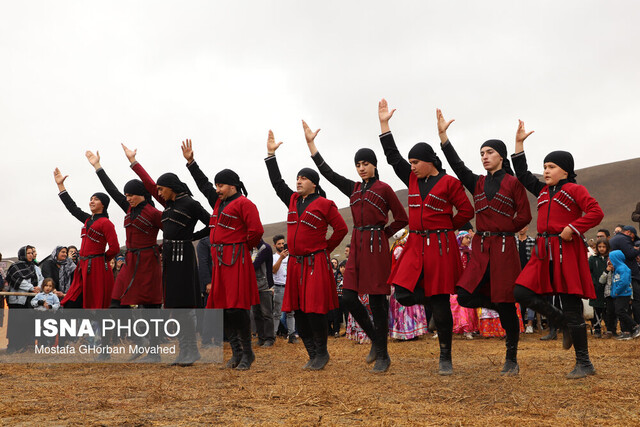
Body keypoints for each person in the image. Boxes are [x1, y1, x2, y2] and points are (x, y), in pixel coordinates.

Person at [303, 119, 408, 373]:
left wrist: (385, 234)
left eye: (366, 164)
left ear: (374, 165)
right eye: (358, 165)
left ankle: (383, 356)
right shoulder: (352, 188)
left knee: (377, 301)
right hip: (358, 245)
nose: (361, 168)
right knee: (348, 297)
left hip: (377, 246)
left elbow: (403, 218)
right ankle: (375, 339)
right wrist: (312, 145)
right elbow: (328, 174)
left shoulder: (385, 188)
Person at [378, 99, 474, 375]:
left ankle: (445, 356)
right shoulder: (411, 179)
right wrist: (385, 125)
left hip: (441, 245)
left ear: (430, 161)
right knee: (404, 293)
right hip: (415, 243)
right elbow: (392, 158)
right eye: (410, 162)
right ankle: (433, 305)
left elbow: (466, 210)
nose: (412, 166)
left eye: (416, 161)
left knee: (442, 301)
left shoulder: (449, 183)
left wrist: (446, 227)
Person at [437, 109, 532, 375]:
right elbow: (458, 166)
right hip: (481, 248)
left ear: (500, 155)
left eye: (489, 152)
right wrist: (444, 138)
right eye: (481, 153)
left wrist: (504, 230)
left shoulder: (513, 183)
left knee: (505, 303)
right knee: (465, 295)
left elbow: (525, 215)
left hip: (504, 248)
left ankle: (511, 357)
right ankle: (501, 305)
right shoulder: (477, 183)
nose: (484, 157)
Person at [511, 120, 604, 379]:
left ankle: (584, 363)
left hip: (565, 249)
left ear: (565, 170)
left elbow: (596, 212)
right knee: (520, 290)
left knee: (571, 304)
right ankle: (561, 322)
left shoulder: (575, 189)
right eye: (544, 167)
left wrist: (573, 228)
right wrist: (518, 144)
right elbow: (522, 174)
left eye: (551, 167)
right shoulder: (542, 191)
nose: (546, 171)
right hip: (543, 249)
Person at [264, 130, 348, 370]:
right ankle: (312, 353)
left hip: (315, 263)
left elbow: (341, 230)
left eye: (303, 178)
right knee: (298, 310)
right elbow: (277, 184)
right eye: (297, 178)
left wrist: (323, 249)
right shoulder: (292, 201)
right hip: (297, 264)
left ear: (314, 183)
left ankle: (322, 353)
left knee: (315, 311)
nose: (298, 181)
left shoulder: (324, 204)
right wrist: (271, 155)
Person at [182, 139, 264, 370]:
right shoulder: (218, 202)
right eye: (216, 185)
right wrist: (191, 163)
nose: (216, 189)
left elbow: (256, 231)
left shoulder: (244, 204)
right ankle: (236, 352)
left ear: (232, 186)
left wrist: (241, 247)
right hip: (219, 261)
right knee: (223, 309)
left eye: (221, 185)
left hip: (236, 258)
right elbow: (203, 185)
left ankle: (247, 353)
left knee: (238, 308)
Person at [125, 143, 210, 366]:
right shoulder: (168, 203)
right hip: (170, 257)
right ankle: (187, 350)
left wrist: (191, 236)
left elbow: (212, 223)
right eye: (159, 190)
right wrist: (134, 163)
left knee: (183, 305)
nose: (159, 193)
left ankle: (190, 350)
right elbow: (150, 185)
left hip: (184, 257)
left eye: (162, 189)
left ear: (171, 187)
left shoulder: (190, 203)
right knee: (174, 305)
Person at [85, 150, 163, 309]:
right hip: (130, 261)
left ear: (141, 194)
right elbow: (111, 190)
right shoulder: (128, 208)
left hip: (148, 262)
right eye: (126, 195)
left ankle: (148, 332)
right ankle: (126, 331)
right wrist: (97, 166)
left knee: (150, 306)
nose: (127, 199)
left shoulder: (154, 213)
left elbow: (172, 232)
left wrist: (161, 249)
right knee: (116, 303)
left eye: (131, 195)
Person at [54, 168, 120, 309]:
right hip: (82, 267)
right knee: (71, 303)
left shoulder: (106, 223)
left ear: (103, 204)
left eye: (96, 199)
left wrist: (100, 260)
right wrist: (61, 186)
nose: (91, 201)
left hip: (97, 268)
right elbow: (72, 208)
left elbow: (115, 248)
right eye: (91, 199)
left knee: (94, 306)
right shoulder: (87, 219)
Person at [388, 229, 429, 341]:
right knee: (405, 308)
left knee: (404, 308)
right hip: (403, 282)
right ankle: (407, 332)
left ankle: (408, 332)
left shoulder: (397, 249)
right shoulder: (400, 250)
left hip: (401, 281)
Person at [6, 246, 42, 353]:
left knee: (28, 323)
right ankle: (13, 346)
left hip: (31, 300)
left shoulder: (36, 267)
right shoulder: (15, 267)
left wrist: (39, 287)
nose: (31, 255)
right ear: (23, 254)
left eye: (32, 253)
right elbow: (17, 280)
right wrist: (31, 288)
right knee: (16, 323)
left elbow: (41, 278)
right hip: (18, 301)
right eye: (28, 253)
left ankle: (25, 347)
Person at [450, 231, 478, 340]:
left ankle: (468, 330)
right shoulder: (455, 252)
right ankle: (452, 328)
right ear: (460, 239)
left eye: (469, 238)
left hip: (466, 282)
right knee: (453, 305)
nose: (469, 240)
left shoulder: (470, 253)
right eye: (467, 238)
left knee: (467, 305)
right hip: (456, 281)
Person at [609, 225, 640, 323]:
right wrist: (636, 249)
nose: (632, 240)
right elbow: (630, 254)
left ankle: (628, 328)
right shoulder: (623, 239)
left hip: (621, 279)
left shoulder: (614, 239)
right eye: (633, 237)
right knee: (635, 300)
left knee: (623, 307)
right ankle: (636, 325)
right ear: (629, 232)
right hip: (631, 275)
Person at [608, 250, 640, 340]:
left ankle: (635, 326)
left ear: (616, 259)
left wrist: (617, 291)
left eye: (611, 258)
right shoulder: (617, 269)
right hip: (618, 294)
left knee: (620, 312)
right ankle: (626, 332)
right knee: (621, 312)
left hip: (623, 294)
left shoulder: (623, 268)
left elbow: (624, 282)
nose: (609, 260)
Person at [272, 235, 296, 343]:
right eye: (279, 244)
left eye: (283, 243)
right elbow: (273, 270)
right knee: (277, 313)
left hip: (290, 287)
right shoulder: (274, 257)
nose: (281, 246)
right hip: (279, 287)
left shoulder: (290, 256)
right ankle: (272, 336)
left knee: (291, 312)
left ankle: (292, 335)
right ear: (275, 245)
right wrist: (281, 258)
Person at [252, 239, 275, 347]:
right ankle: (261, 337)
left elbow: (255, 265)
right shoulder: (251, 249)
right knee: (256, 313)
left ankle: (269, 338)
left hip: (265, 284)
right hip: (253, 285)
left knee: (266, 313)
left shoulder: (265, 248)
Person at [516, 226, 537, 334]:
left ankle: (530, 324)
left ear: (528, 228)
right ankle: (519, 323)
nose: (521, 229)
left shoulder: (532, 241)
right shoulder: (514, 241)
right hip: (516, 274)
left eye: (524, 226)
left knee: (530, 298)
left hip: (529, 273)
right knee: (516, 299)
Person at [588, 238, 610, 338]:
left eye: (604, 247)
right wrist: (594, 283)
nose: (601, 249)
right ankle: (597, 329)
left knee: (607, 309)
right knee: (597, 309)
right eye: (600, 247)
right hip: (596, 287)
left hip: (607, 287)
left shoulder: (609, 259)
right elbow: (589, 272)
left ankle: (610, 329)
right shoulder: (593, 259)